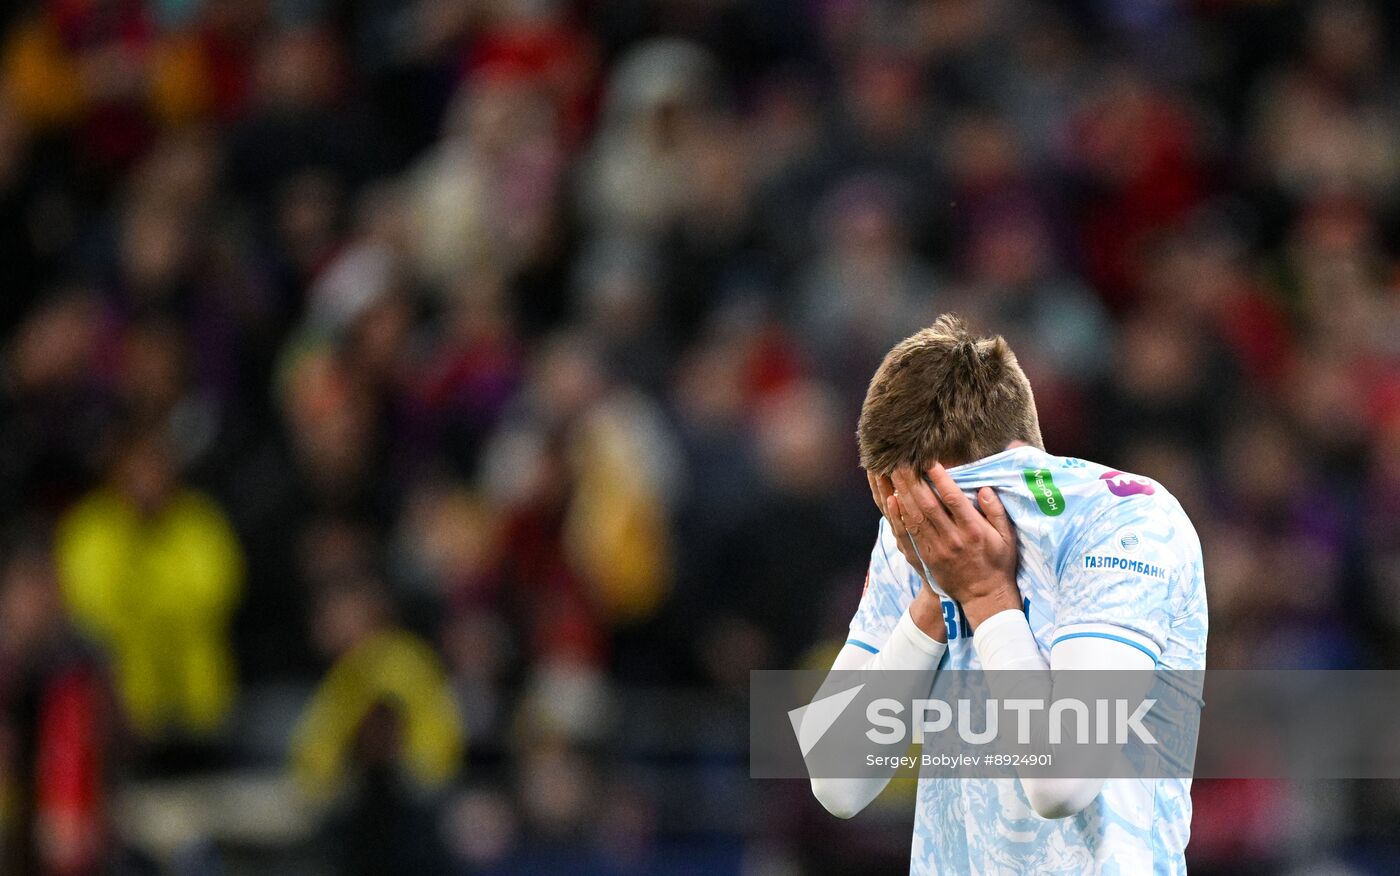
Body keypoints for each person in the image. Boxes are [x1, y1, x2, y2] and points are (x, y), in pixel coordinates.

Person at [806, 315, 1208, 874]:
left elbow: (1061, 782)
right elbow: (837, 780)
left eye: (944, 501)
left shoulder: (1127, 518)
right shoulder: (919, 536)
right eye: (911, 507)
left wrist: (987, 597)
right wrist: (931, 598)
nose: (932, 526)